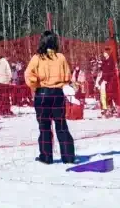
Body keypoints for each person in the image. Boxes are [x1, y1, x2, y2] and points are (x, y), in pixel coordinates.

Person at [24, 31, 76, 164]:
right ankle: (68, 157)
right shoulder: (61, 57)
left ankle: (46, 157)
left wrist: (35, 83)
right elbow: (67, 76)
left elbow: (28, 75)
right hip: (58, 94)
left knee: (44, 127)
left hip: (42, 94)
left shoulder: (37, 58)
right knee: (61, 125)